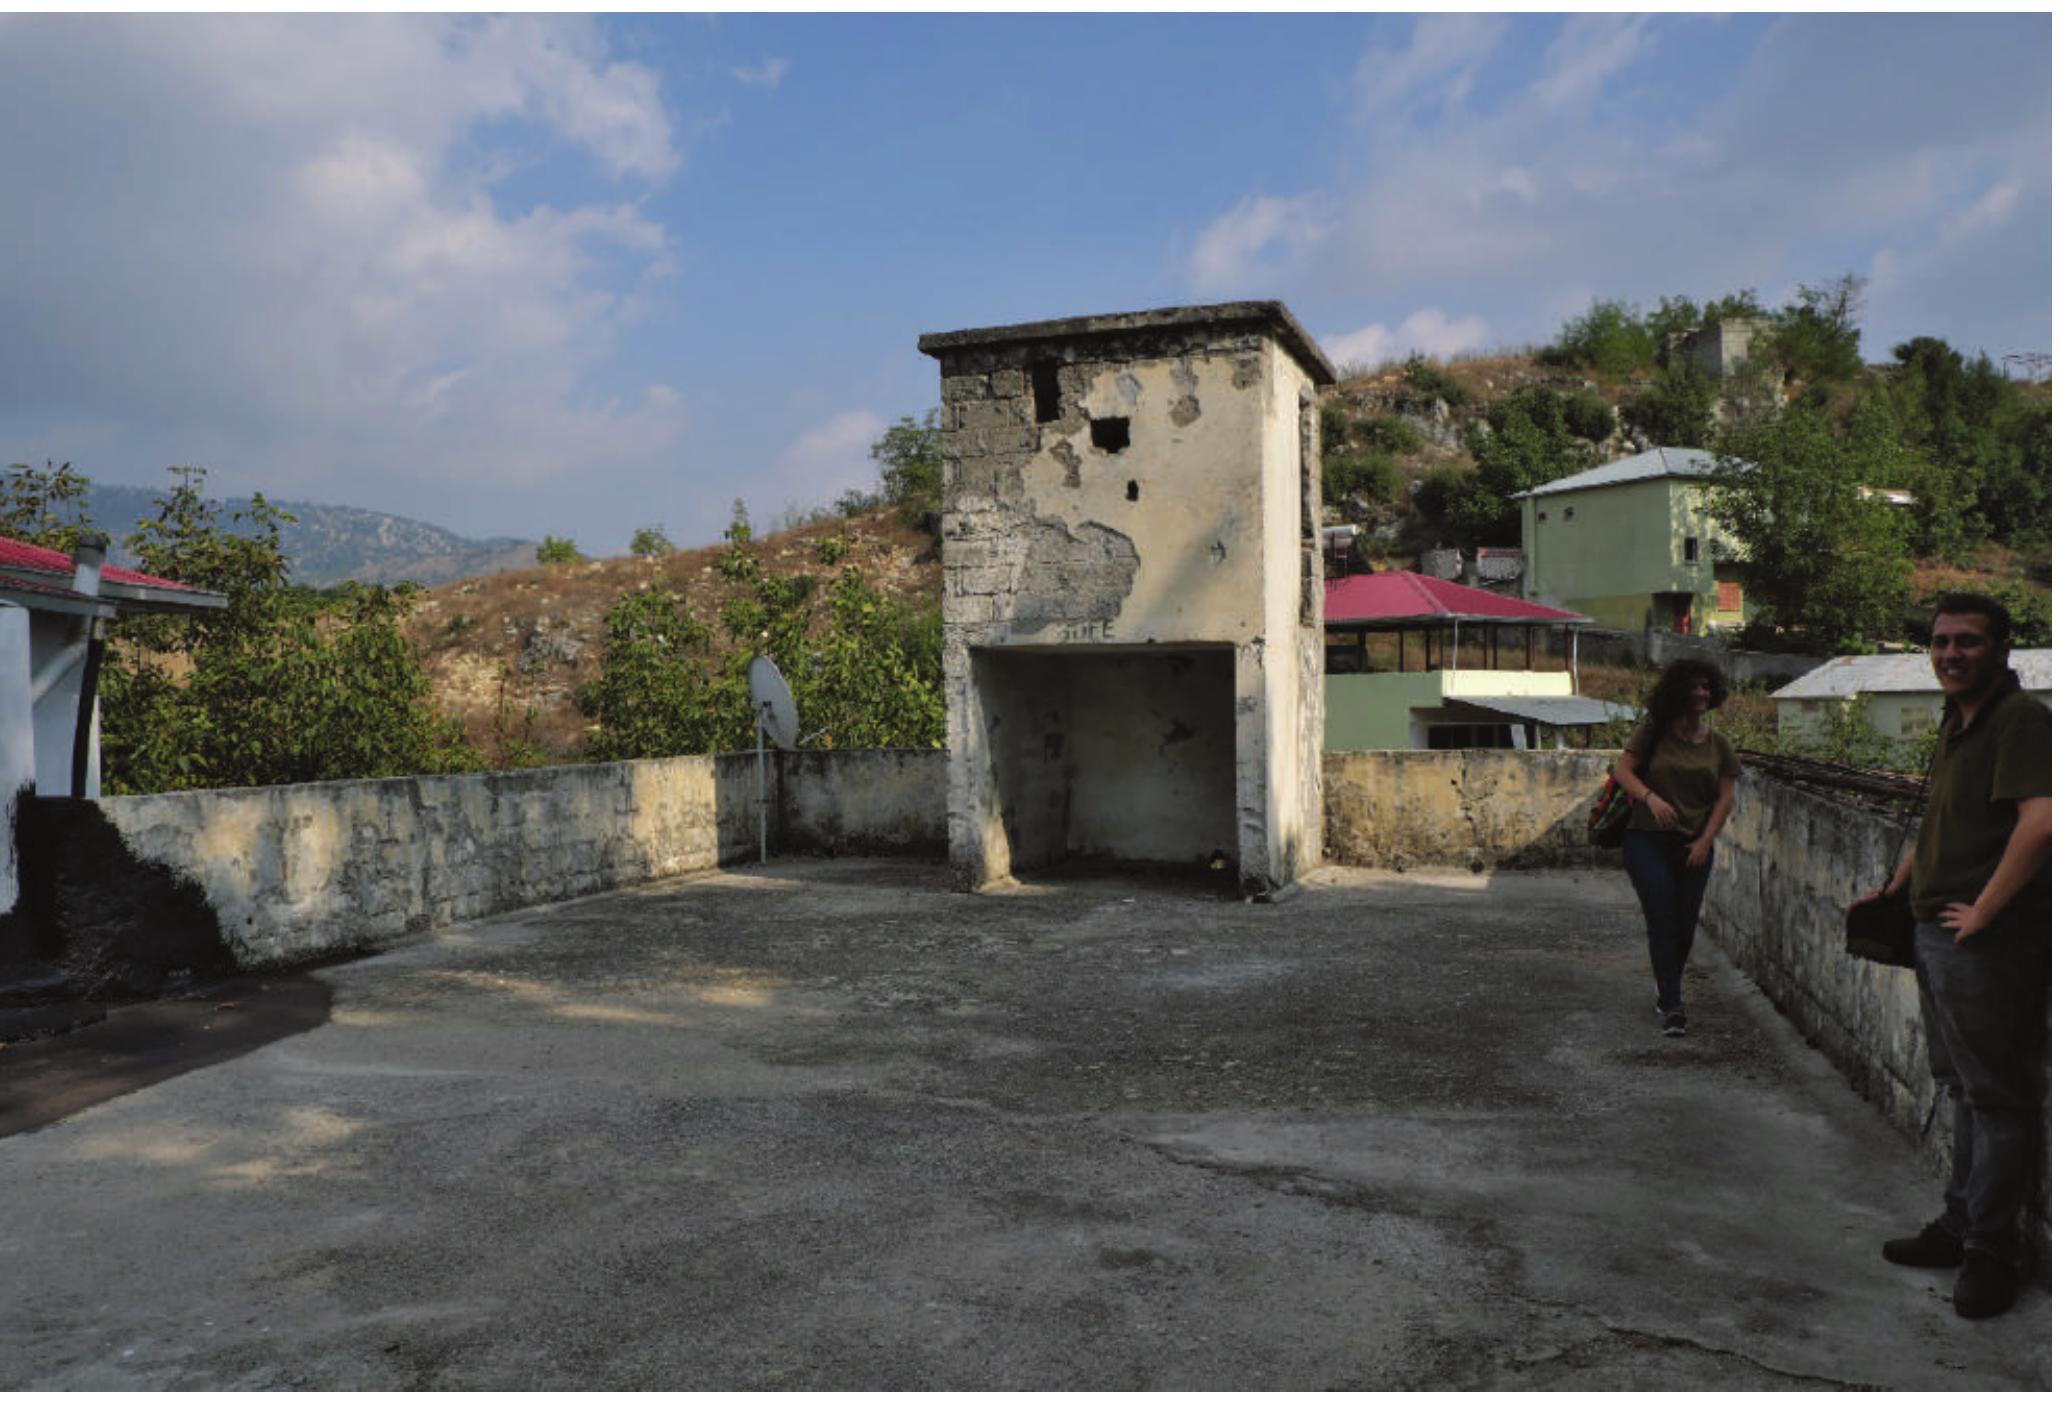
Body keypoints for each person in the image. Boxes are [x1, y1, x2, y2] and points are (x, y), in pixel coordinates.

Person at [1851, 593, 2050, 1320]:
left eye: (1966, 642)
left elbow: (2043, 822)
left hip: (1985, 941)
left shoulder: (2020, 720)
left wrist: (1984, 913)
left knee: (1996, 1099)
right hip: (1935, 930)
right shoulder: (1958, 719)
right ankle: (1958, 1224)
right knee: (1963, 1090)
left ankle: (1989, 1253)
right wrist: (1893, 888)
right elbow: (1942, 820)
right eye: (1938, 642)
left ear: (2002, 649)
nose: (1949, 655)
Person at [1613, 658, 1739, 1037]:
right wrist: (1650, 798)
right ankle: (1672, 1004)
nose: (1701, 693)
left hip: (1693, 844)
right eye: (1693, 686)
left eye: (1706, 687)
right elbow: (1622, 772)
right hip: (1646, 838)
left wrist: (1704, 842)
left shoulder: (1719, 745)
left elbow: (1725, 799)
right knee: (1662, 917)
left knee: (1684, 926)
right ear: (1677, 691)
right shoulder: (1654, 732)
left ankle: (1666, 982)